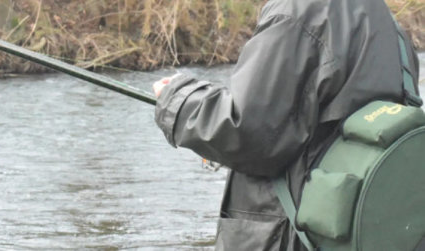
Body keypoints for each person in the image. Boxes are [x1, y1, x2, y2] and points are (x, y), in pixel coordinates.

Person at [152, 0, 421, 250]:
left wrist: (177, 99)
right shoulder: (390, 27)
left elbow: (246, 131)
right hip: (366, 235)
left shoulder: (295, 12)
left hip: (292, 234)